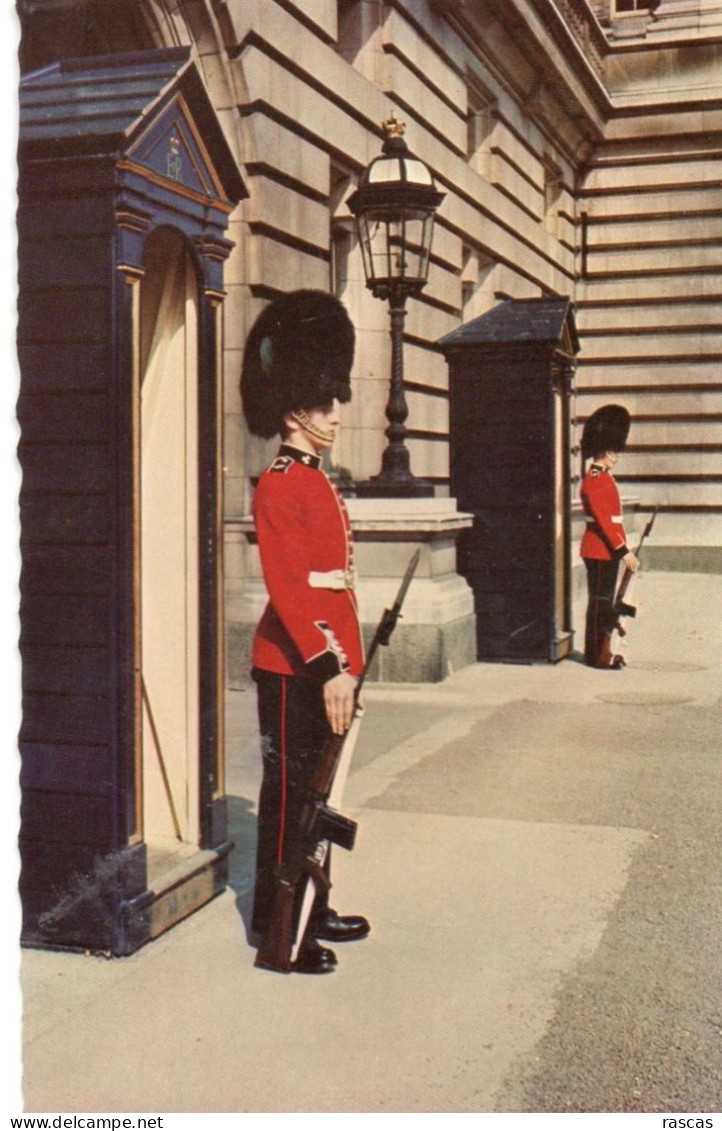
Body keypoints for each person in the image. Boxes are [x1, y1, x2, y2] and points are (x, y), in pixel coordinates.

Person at [240, 289, 370, 974]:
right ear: (292, 410)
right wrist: (331, 667)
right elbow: (291, 591)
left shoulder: (316, 480)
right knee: (292, 798)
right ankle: (277, 927)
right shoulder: (280, 484)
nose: (336, 414)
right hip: (296, 667)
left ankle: (312, 907)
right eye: (324, 405)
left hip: (327, 661)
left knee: (322, 795)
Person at [579, 404, 638, 669]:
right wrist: (623, 551)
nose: (616, 457)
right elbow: (605, 521)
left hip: (605, 549)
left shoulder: (602, 477)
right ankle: (596, 656)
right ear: (603, 450)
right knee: (601, 603)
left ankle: (600, 651)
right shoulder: (595, 478)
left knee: (603, 602)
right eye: (613, 451)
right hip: (600, 549)